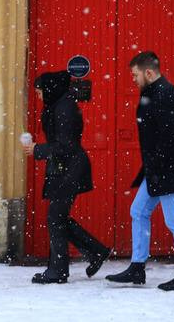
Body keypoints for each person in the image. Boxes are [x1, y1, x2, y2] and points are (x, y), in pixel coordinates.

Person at [105, 51, 174, 291]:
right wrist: (151, 170)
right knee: (138, 211)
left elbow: (169, 139)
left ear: (149, 72)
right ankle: (137, 268)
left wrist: (158, 171)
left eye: (135, 75)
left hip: (169, 170)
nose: (133, 80)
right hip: (157, 170)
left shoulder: (166, 94)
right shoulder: (152, 93)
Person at [22, 70, 111, 284]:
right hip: (63, 167)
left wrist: (38, 150)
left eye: (40, 92)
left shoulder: (65, 108)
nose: (39, 97)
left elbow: (66, 145)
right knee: (58, 218)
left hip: (70, 168)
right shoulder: (58, 104)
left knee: (55, 217)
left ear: (50, 89)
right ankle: (95, 252)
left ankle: (59, 270)